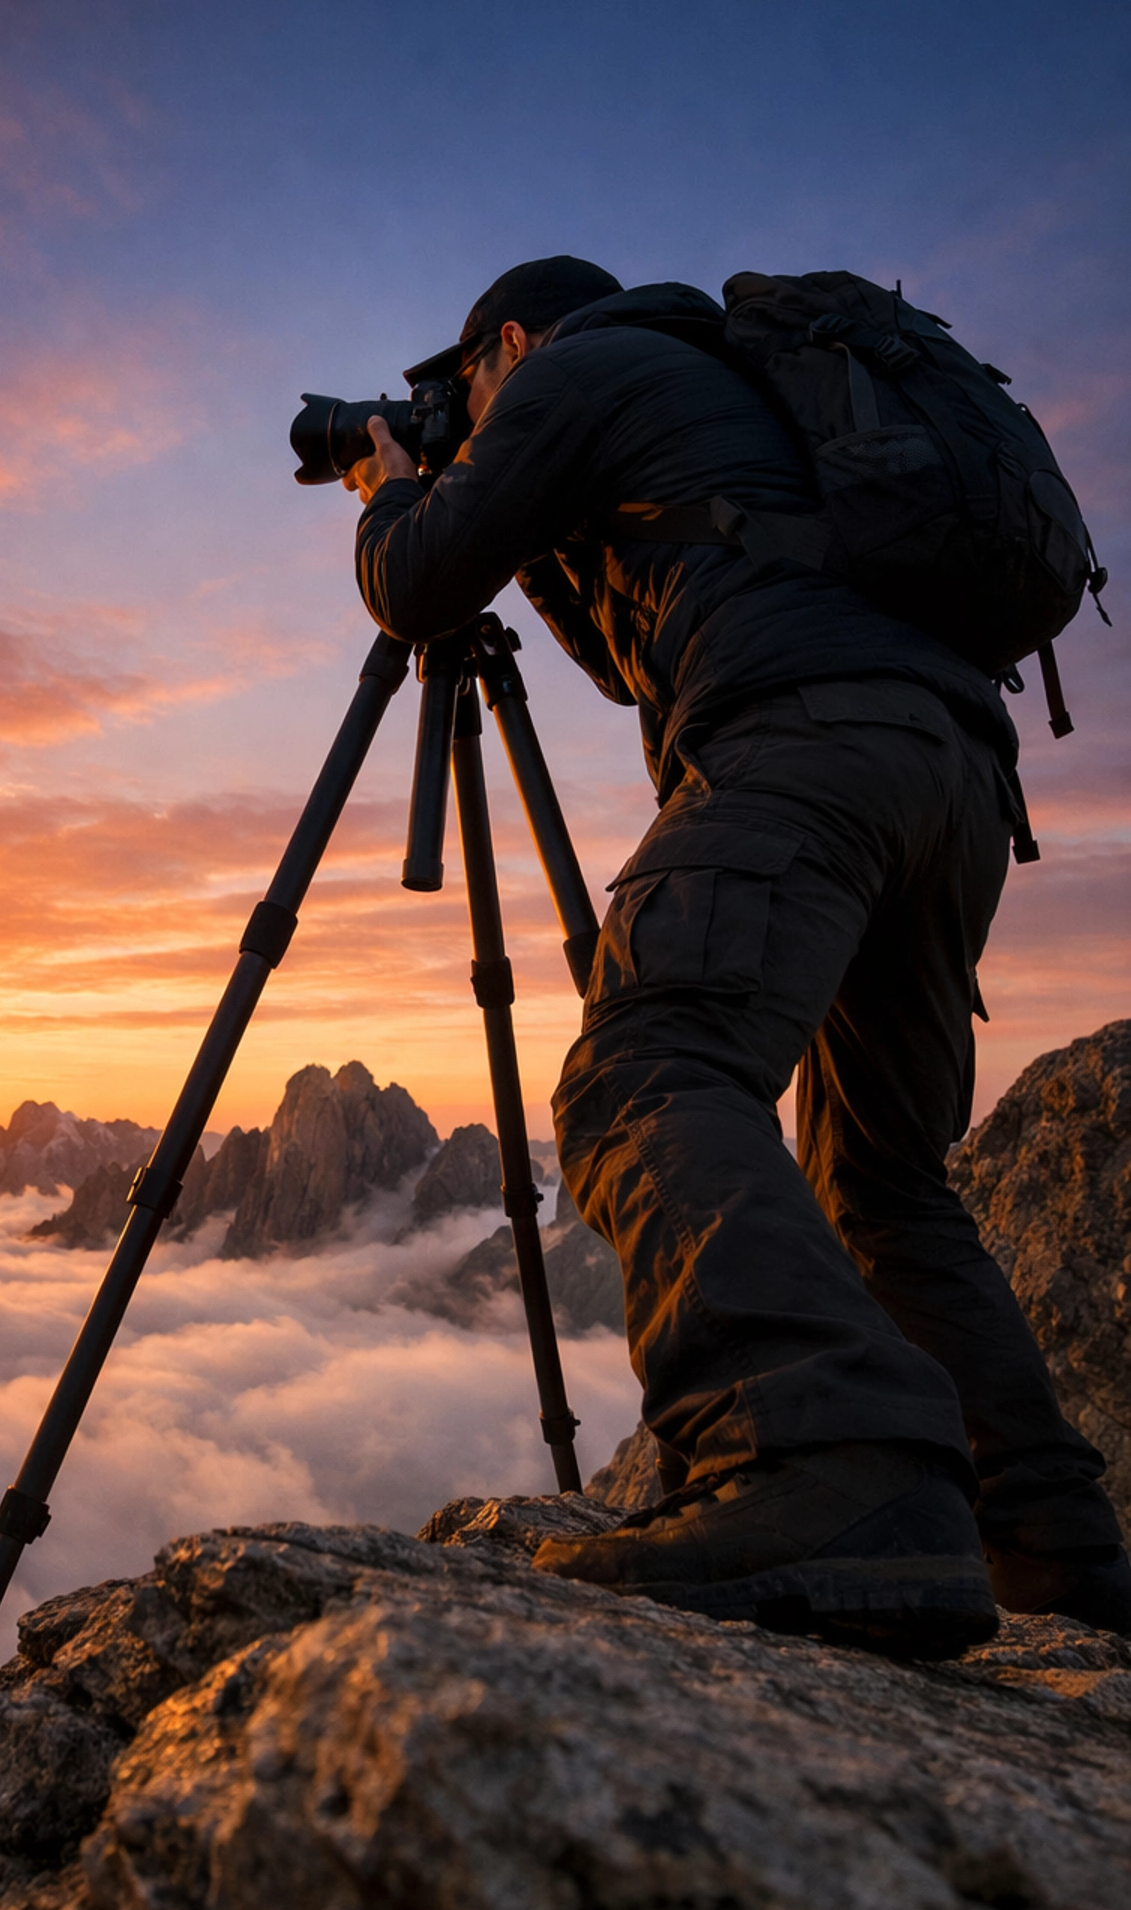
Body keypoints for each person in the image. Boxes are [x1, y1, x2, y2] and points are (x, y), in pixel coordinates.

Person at [346, 253, 1129, 1655]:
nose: (468, 407)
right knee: (880, 1180)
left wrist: (401, 489)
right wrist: (532, 516)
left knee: (646, 1069)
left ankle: (826, 1470)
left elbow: (414, 584)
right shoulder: (720, 384)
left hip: (807, 745)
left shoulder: (574, 369)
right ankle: (1059, 1547)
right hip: (949, 781)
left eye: (470, 386)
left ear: (509, 345)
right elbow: (629, 659)